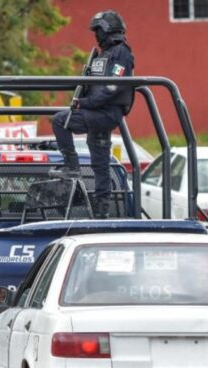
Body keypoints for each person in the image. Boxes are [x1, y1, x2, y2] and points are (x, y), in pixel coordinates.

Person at [50, 10, 135, 218]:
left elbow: (112, 88)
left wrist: (84, 103)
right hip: (97, 111)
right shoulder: (102, 55)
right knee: (100, 162)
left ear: (107, 30)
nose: (96, 35)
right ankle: (102, 209)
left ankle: (71, 165)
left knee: (60, 121)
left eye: (98, 30)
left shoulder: (121, 52)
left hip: (106, 113)